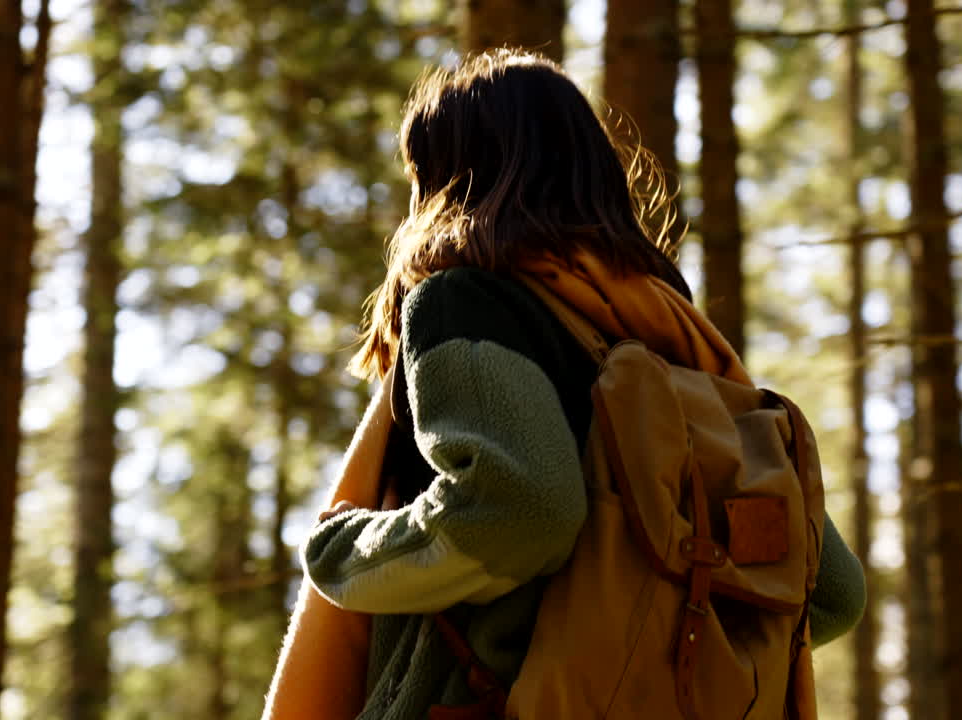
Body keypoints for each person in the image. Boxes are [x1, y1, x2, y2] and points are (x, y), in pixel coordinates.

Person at [294, 48, 866, 720]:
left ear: (445, 180)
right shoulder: (679, 346)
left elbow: (520, 512)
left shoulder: (463, 304)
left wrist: (343, 554)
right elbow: (830, 592)